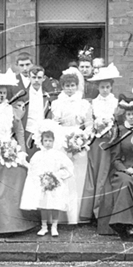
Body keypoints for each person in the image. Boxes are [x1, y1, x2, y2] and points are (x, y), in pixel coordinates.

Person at [0, 69, 40, 235]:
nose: (1, 95)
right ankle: (4, 226)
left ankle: (21, 223)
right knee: (0, 189)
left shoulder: (12, 110)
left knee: (20, 177)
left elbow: (19, 131)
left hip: (12, 148)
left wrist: (22, 151)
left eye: (4, 93)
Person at [97, 100, 133, 238]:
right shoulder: (120, 132)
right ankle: (127, 225)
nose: (131, 117)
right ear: (125, 116)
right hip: (123, 171)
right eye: (128, 114)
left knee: (128, 182)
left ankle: (126, 224)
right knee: (125, 182)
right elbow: (115, 159)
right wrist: (125, 170)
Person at [80, 63, 121, 222]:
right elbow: (89, 124)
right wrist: (95, 128)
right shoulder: (92, 103)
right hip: (97, 143)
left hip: (112, 142)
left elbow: (119, 123)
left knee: (107, 173)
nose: (105, 90)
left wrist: (112, 131)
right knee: (95, 174)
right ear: (98, 87)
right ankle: (92, 212)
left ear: (112, 87)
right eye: (102, 87)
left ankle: (104, 211)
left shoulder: (116, 103)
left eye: (108, 87)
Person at [51, 73, 93, 224]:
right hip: (61, 140)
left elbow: (89, 125)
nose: (70, 89)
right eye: (67, 86)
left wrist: (82, 139)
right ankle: (62, 215)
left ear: (77, 86)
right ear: (62, 87)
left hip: (79, 140)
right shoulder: (56, 103)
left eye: (72, 86)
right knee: (63, 174)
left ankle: (78, 215)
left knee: (78, 176)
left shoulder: (84, 104)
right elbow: (53, 124)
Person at [20, 120, 74, 237]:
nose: (48, 143)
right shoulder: (38, 155)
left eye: (50, 140)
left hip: (55, 184)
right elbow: (33, 169)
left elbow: (69, 168)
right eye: (46, 140)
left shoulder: (58, 155)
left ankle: (54, 226)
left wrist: (57, 176)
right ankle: (44, 226)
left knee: (55, 205)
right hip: (43, 184)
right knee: (43, 206)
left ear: (54, 141)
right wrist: (26, 164)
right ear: (41, 141)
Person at [22, 66, 52, 158]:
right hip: (27, 133)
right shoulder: (22, 95)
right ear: (29, 78)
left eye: (39, 78)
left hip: (42, 135)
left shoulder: (47, 96)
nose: (36, 80)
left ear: (43, 78)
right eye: (33, 77)